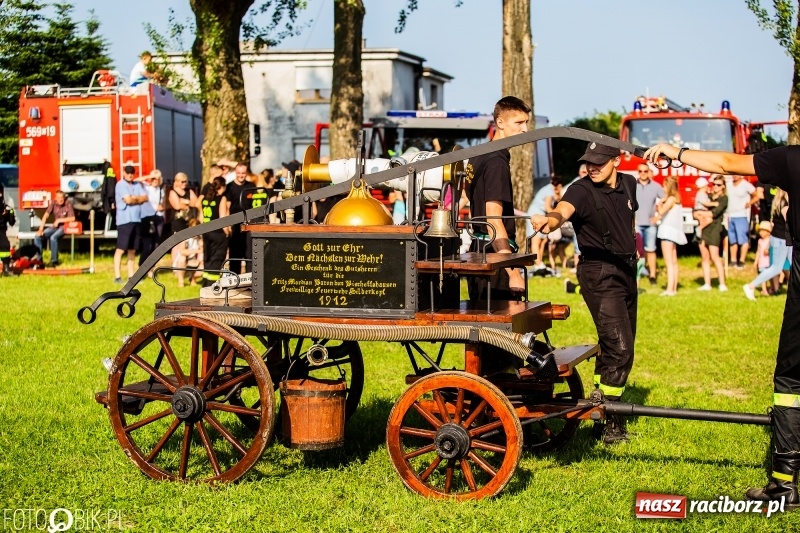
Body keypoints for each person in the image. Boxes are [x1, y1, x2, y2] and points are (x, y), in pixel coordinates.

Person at [644, 142, 800, 508]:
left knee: (792, 380)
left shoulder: (793, 158)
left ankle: (784, 486)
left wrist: (677, 152)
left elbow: (727, 163)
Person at [531, 142, 638, 445]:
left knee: (614, 344)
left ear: (616, 160)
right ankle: (612, 422)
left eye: (599, 162)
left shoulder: (629, 184)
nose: (592, 167)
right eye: (588, 162)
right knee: (620, 349)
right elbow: (561, 211)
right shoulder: (580, 189)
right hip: (599, 273)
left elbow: (628, 221)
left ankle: (599, 408)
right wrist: (549, 221)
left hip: (628, 270)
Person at [464, 96, 530, 301]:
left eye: (526, 122)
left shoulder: (479, 154)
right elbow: (493, 221)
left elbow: (467, 198)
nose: (525, 129)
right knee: (502, 331)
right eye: (518, 123)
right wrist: (513, 272)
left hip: (479, 251)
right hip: (495, 255)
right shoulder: (496, 162)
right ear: (500, 122)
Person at [743, 189, 791, 301]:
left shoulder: (777, 202)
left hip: (779, 238)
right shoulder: (785, 204)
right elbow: (789, 222)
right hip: (782, 239)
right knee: (776, 267)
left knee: (794, 265)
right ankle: (751, 286)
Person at [114, 165, 148, 283]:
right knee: (121, 249)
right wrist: (136, 199)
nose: (130, 174)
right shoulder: (120, 185)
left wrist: (134, 199)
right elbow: (128, 200)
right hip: (124, 221)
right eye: (128, 172)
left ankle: (131, 276)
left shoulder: (137, 185)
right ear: (123, 173)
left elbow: (145, 198)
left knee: (132, 249)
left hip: (136, 219)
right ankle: (117, 277)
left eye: (132, 172)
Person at [653, 176, 687, 296]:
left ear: (669, 186)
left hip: (667, 232)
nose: (663, 188)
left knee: (669, 262)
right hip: (674, 232)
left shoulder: (670, 199)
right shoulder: (677, 198)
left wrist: (660, 203)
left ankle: (669, 289)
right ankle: (674, 287)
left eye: (664, 185)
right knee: (674, 261)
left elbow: (661, 212)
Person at [697, 176, 728, 291]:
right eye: (714, 184)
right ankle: (707, 283)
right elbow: (697, 208)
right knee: (705, 256)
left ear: (723, 186)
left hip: (715, 228)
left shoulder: (724, 198)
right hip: (704, 227)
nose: (715, 186)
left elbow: (715, 213)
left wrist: (700, 213)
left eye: (718, 185)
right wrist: (699, 213)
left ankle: (722, 283)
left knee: (715, 256)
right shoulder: (708, 196)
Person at [635, 163, 664, 285]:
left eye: (645, 171)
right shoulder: (632, 185)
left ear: (649, 172)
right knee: (636, 252)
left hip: (650, 224)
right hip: (636, 224)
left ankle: (652, 276)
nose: (643, 173)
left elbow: (667, 200)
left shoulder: (656, 186)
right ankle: (637, 276)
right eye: (640, 171)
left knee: (651, 250)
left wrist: (659, 215)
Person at [525, 176, 561, 275]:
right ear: (558, 186)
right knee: (536, 240)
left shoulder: (548, 189)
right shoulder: (549, 190)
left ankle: (539, 262)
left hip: (541, 215)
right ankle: (537, 263)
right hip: (535, 215)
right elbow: (548, 207)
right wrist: (559, 216)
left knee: (543, 240)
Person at [168, 172, 199, 287]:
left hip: (189, 222)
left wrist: (185, 202)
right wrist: (186, 203)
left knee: (191, 245)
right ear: (176, 182)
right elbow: (176, 206)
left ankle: (189, 270)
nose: (184, 184)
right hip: (178, 223)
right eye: (182, 182)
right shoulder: (172, 192)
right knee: (177, 246)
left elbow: (196, 203)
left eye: (186, 181)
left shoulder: (189, 192)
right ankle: (176, 268)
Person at [200, 176, 230, 288]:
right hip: (218, 233)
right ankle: (213, 285)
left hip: (207, 232)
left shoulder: (205, 199)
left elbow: (201, 217)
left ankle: (205, 283)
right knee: (217, 259)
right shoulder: (221, 198)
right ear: (222, 186)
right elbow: (222, 218)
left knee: (207, 258)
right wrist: (227, 232)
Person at [34, 190, 75, 267]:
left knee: (53, 238)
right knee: (37, 237)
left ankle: (54, 261)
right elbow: (45, 216)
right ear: (55, 198)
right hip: (55, 227)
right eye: (58, 198)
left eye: (62, 197)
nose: (60, 199)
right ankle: (39, 261)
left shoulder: (68, 204)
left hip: (64, 227)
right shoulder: (53, 203)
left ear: (64, 198)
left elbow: (72, 218)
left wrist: (59, 220)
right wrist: (40, 229)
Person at [725, 174, 758, 269]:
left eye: (736, 174)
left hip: (741, 215)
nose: (734, 176)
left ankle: (742, 260)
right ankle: (733, 260)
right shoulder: (729, 184)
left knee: (743, 239)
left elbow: (757, 195)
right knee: (732, 240)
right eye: (733, 174)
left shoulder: (746, 185)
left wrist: (749, 203)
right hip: (730, 215)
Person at [224, 164, 250, 274]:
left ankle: (251, 279)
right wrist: (228, 224)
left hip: (248, 225)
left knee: (249, 253)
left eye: (243, 173)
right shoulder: (229, 187)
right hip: (234, 226)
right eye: (239, 173)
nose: (241, 175)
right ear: (235, 172)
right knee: (235, 254)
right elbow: (226, 206)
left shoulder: (251, 186)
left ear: (246, 173)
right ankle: (234, 278)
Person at [0, 183, 15, 273]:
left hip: (1, 231)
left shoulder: (6, 208)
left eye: (1, 193)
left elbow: (12, 223)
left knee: (5, 245)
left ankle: (6, 269)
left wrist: (11, 214)